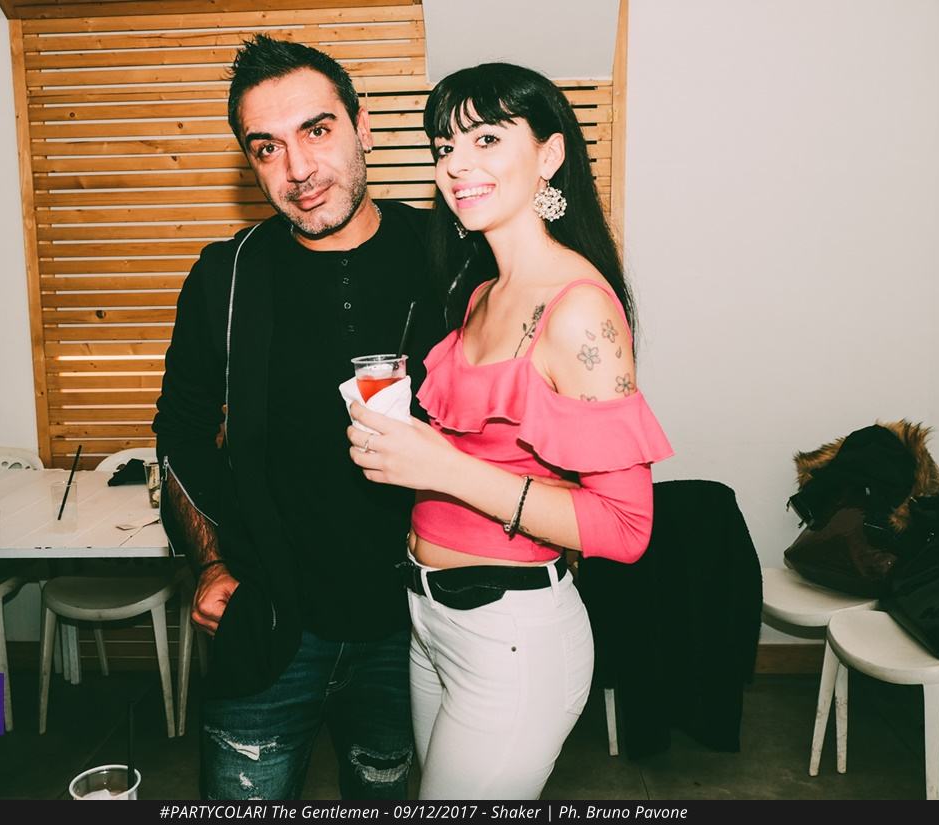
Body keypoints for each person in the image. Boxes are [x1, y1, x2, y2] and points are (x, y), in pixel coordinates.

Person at [346, 63, 674, 799]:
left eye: (486, 139)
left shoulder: (579, 310)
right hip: (429, 619)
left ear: (550, 155)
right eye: (444, 147)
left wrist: (443, 468)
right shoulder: (482, 295)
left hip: (512, 634)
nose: (456, 165)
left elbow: (627, 528)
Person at [153, 35, 442, 800]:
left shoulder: (445, 255)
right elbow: (180, 433)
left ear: (362, 125)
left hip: (410, 625)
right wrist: (210, 564)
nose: (299, 169)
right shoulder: (226, 277)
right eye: (267, 147)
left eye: (316, 129)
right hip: (269, 621)